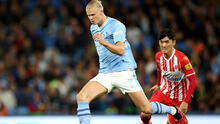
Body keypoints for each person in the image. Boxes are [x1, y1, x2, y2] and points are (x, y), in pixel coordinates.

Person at [76, 1, 185, 124]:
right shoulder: (93, 27)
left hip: (124, 72)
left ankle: (172, 110)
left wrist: (104, 42)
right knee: (81, 97)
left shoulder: (117, 26)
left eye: (93, 15)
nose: (90, 18)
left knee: (146, 109)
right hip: (105, 74)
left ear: (101, 11)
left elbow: (121, 50)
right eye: (88, 15)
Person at [140, 29, 197, 124]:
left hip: (179, 98)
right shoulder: (158, 56)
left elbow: (193, 80)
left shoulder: (182, 59)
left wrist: (186, 101)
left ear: (173, 42)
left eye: (167, 42)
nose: (163, 45)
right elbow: (159, 70)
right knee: (145, 113)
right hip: (164, 93)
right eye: (161, 42)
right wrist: (158, 84)